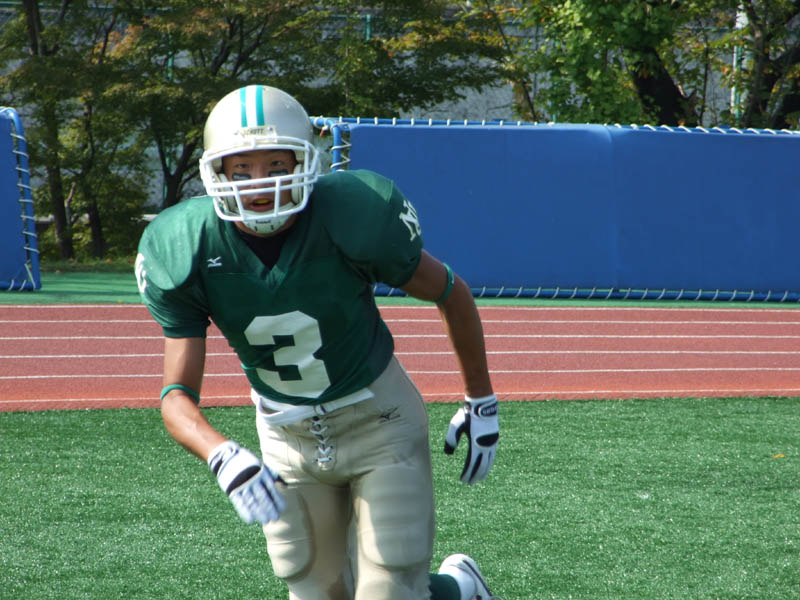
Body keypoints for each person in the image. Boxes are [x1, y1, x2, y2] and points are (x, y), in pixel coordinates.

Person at [135, 84, 500, 600]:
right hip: (287, 440)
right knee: (314, 588)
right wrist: (221, 455)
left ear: (306, 162)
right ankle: (457, 590)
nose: (260, 184)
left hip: (380, 421)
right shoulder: (185, 245)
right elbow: (176, 397)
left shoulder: (352, 213)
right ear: (215, 173)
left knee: (389, 588)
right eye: (241, 169)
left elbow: (449, 291)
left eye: (275, 165)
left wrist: (481, 399)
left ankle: (457, 587)